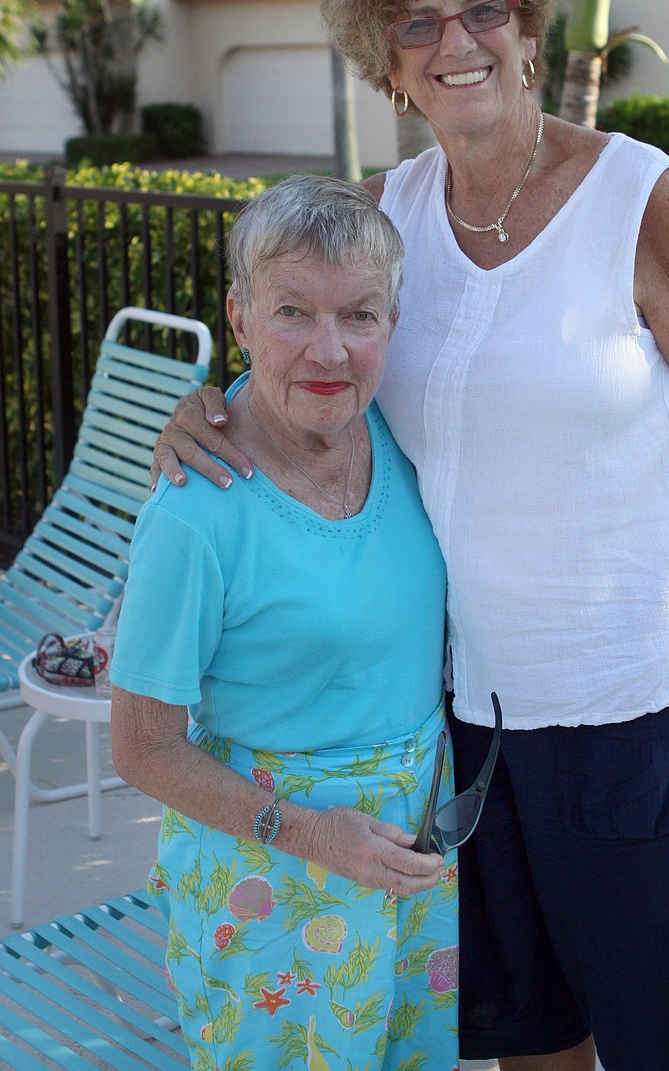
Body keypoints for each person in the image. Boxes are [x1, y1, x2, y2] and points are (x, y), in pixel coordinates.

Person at [149, 0, 669, 1071]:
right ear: (385, 62)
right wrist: (200, 413)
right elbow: (308, 366)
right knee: (532, 1042)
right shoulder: (387, 218)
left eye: (484, 8)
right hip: (475, 721)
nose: (457, 42)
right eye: (417, 22)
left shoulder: (639, 198)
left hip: (641, 704)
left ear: (527, 26)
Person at [110, 175, 460, 1071]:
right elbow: (143, 746)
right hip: (275, 875)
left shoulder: (405, 430)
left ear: (392, 321)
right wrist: (310, 834)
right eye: (293, 312)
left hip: (417, 863)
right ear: (239, 317)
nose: (329, 351)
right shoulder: (194, 514)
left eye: (361, 315)